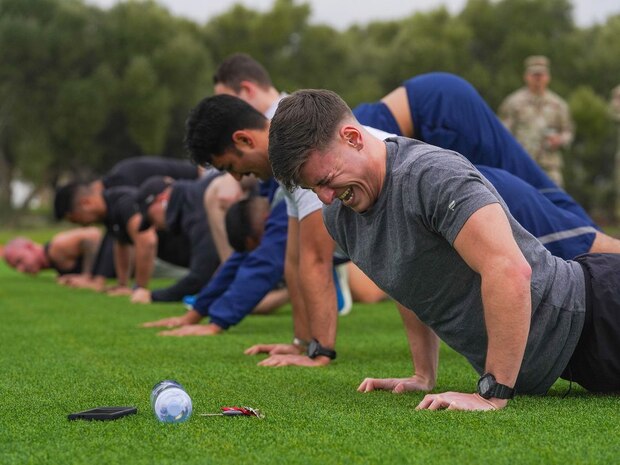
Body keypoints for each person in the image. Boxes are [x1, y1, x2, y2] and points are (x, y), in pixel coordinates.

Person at [268, 89, 620, 411]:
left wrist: (492, 393)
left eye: (326, 180)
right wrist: (423, 375)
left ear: (353, 138)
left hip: (601, 313)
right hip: (579, 361)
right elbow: (404, 280)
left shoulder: (432, 175)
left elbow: (508, 270)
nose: (325, 197)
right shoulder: (339, 216)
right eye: (313, 188)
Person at [354, 71, 589, 226]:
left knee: (521, 200)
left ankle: (599, 253)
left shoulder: (334, 155)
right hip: (438, 102)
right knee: (527, 193)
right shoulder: (515, 101)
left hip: (439, 111)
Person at [142, 178, 291, 332]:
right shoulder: (272, 190)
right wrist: (194, 315)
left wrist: (217, 323)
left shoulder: (286, 199)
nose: (236, 176)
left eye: (230, 167)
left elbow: (264, 263)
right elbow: (237, 262)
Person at [131, 173, 223, 303]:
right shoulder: (195, 194)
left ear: (161, 199)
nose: (155, 227)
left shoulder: (193, 207)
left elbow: (201, 275)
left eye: (151, 218)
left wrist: (154, 296)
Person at [499, 56, 574, 186]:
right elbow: (502, 133)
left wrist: (560, 139)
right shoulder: (513, 103)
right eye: (534, 75)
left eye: (541, 75)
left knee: (554, 201)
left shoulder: (558, 104)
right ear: (526, 76)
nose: (538, 79)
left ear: (548, 77)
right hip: (521, 164)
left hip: (549, 166)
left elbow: (568, 131)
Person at [3, 228, 114, 286]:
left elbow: (93, 236)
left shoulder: (58, 246)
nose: (21, 269)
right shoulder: (54, 262)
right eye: (15, 267)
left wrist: (87, 276)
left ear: (30, 247)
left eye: (19, 261)